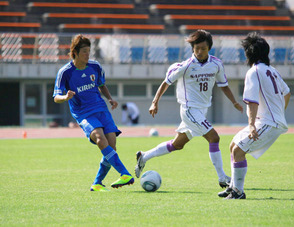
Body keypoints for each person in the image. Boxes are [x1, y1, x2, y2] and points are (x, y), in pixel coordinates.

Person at [134, 30, 243, 189]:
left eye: (203, 49)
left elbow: (223, 86)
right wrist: (154, 102)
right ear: (192, 48)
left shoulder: (216, 64)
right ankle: (222, 178)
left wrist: (234, 102)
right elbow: (166, 82)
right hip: (189, 110)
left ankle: (143, 157)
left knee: (177, 144)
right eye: (196, 48)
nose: (199, 52)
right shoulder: (185, 66)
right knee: (214, 138)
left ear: (209, 49)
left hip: (202, 110)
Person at [53, 34, 134, 191]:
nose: (87, 55)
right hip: (84, 113)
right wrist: (65, 97)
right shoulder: (65, 72)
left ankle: (97, 183)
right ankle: (124, 173)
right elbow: (56, 97)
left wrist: (110, 99)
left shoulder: (95, 66)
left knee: (111, 145)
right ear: (75, 52)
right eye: (84, 51)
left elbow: (101, 84)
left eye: (89, 51)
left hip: (101, 109)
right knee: (99, 138)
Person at [218, 32, 291, 199]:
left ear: (248, 54)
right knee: (233, 145)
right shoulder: (272, 71)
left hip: (268, 122)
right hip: (270, 121)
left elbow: (252, 101)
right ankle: (233, 187)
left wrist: (251, 125)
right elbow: (287, 93)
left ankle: (238, 192)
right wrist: (280, 112)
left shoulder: (254, 72)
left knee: (238, 150)